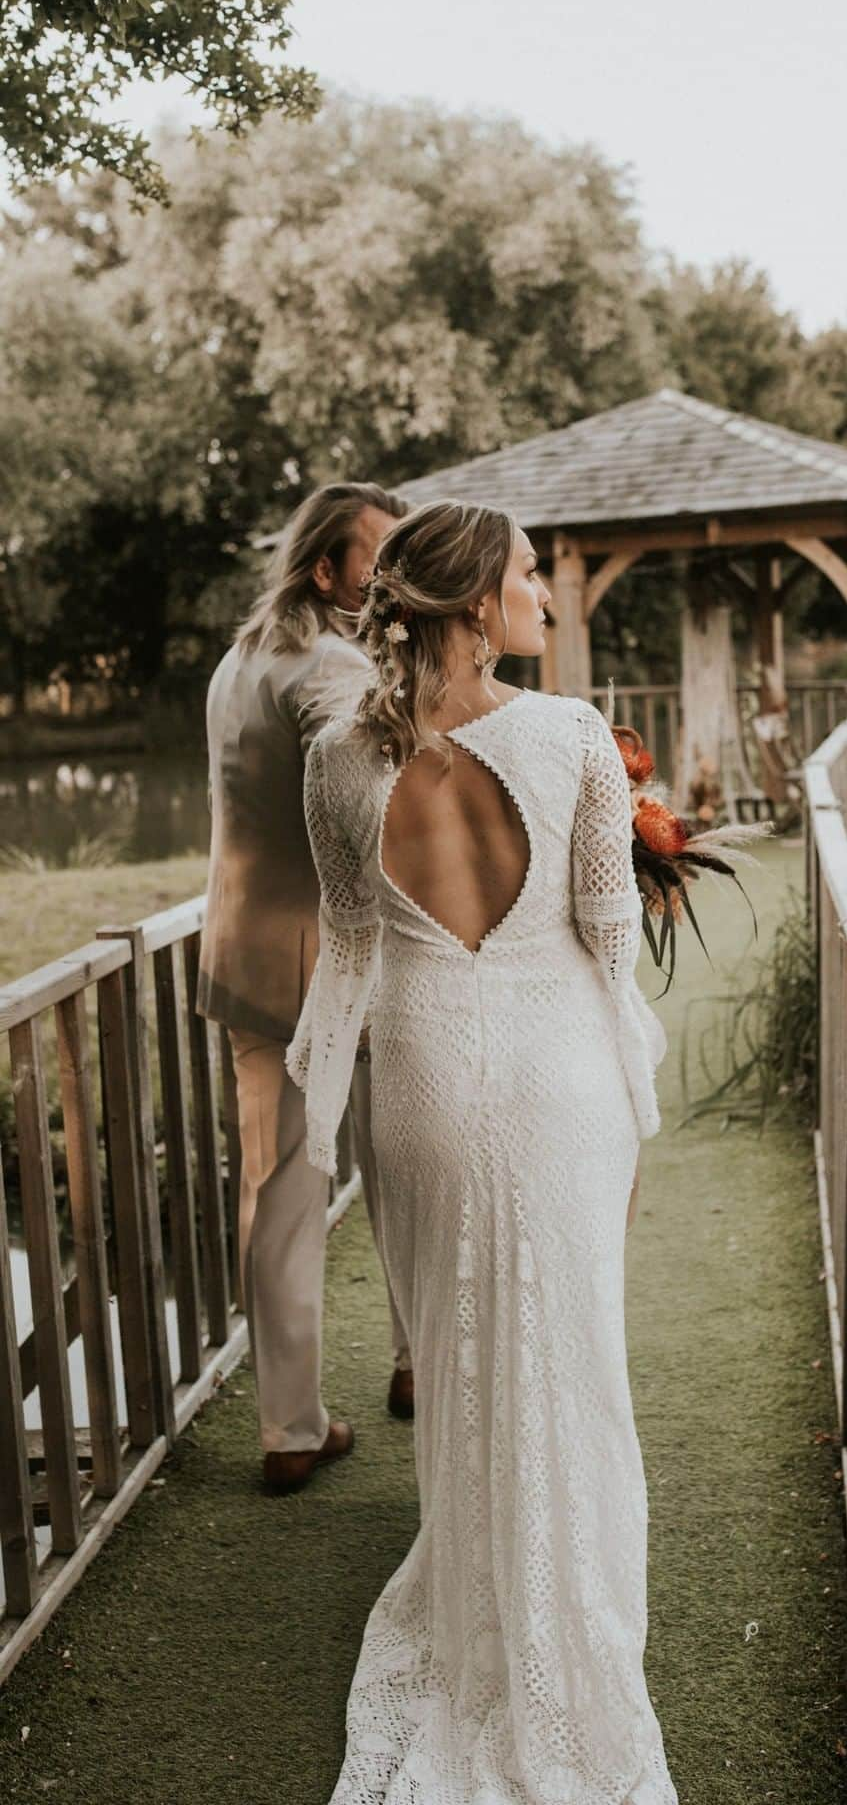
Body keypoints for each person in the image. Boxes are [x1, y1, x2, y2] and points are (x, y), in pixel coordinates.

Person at [287, 502, 677, 1800]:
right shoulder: (569, 734)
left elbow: (348, 950)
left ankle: (477, 1623)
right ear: (473, 609)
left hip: (425, 1086)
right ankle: (569, 1642)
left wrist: (309, 1107)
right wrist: (637, 1099)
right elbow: (610, 942)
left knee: (454, 1363)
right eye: (526, 578)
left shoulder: (341, 756)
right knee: (576, 1361)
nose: (545, 599)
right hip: (560, 1078)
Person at [197, 480, 413, 1495]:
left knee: (276, 1187)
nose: (395, 579)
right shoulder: (330, 664)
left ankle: (295, 1420)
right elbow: (367, 789)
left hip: (239, 954)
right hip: (329, 962)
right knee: (393, 1159)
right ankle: (388, 1377)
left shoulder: (238, 661)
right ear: (328, 569)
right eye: (380, 560)